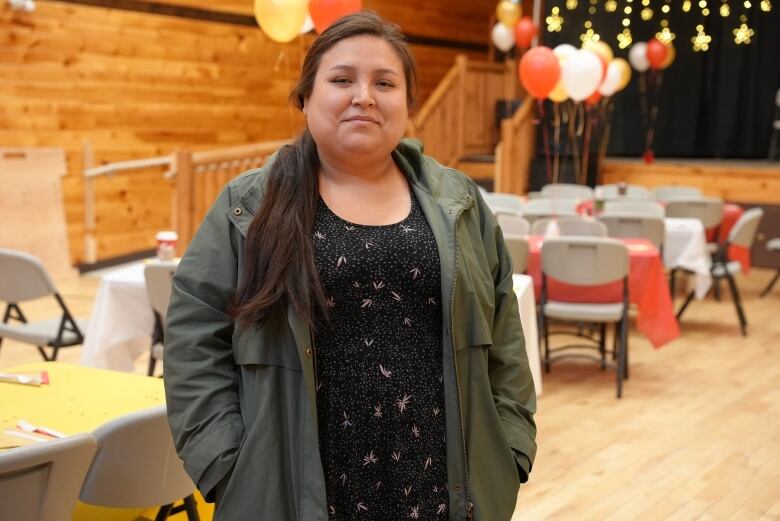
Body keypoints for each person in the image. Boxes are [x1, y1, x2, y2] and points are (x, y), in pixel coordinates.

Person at [164, 11, 536, 521]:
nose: (364, 95)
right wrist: (225, 462)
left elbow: (505, 333)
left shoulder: (460, 202)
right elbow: (192, 338)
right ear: (306, 97)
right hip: (295, 493)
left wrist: (510, 446)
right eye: (342, 80)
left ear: (407, 104)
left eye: (385, 82)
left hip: (440, 490)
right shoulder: (250, 205)